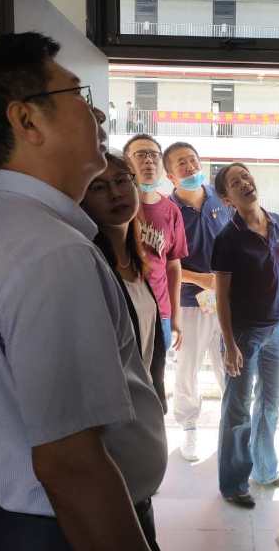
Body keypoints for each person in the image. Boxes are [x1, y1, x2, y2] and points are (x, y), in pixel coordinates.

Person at [0, 32, 166, 551]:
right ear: (27, 120)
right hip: (65, 529)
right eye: (80, 96)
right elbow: (71, 464)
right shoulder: (52, 252)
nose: (98, 114)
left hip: (26, 522)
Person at [211, 162, 279, 509]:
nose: (245, 183)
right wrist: (230, 344)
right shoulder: (227, 238)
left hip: (276, 329)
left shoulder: (276, 222)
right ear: (227, 198)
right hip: (244, 335)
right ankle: (233, 484)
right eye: (235, 182)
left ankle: (265, 470)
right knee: (237, 411)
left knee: (269, 404)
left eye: (245, 176)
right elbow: (221, 296)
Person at [82, 153, 168, 413]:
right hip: (114, 414)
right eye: (99, 187)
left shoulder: (137, 263)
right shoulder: (89, 266)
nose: (115, 193)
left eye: (121, 180)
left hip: (144, 409)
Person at [164, 142, 230, 462]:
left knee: (230, 364)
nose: (190, 166)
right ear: (170, 176)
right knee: (187, 367)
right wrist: (200, 279)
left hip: (227, 300)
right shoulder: (167, 210)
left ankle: (233, 428)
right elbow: (164, 261)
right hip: (190, 302)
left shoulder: (220, 199)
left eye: (193, 160)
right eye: (181, 163)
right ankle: (189, 427)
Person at [123, 134, 188, 354]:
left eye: (154, 155)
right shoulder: (117, 206)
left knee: (156, 373)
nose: (149, 160)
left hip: (161, 314)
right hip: (124, 309)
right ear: (126, 162)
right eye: (141, 155)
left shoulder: (172, 211)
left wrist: (175, 316)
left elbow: (173, 266)